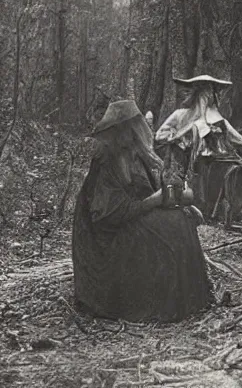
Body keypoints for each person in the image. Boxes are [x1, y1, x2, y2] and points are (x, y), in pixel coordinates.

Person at [73, 100, 212, 323]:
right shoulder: (106, 161)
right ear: (120, 131)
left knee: (181, 219)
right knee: (170, 227)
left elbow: (152, 189)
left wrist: (183, 203)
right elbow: (108, 215)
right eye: (131, 128)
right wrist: (154, 202)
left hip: (132, 217)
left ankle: (189, 299)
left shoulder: (136, 154)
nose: (136, 132)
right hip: (107, 239)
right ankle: (162, 303)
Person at [155, 75, 242, 227]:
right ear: (196, 95)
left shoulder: (220, 122)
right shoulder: (180, 115)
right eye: (203, 94)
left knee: (234, 172)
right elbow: (160, 136)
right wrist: (182, 135)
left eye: (210, 94)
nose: (206, 98)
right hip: (184, 169)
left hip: (213, 170)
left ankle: (223, 212)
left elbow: (241, 141)